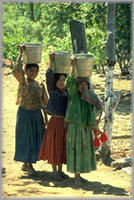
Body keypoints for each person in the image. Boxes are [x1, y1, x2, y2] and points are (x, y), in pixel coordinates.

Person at [65, 56, 103, 187]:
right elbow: (69, 81)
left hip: (85, 129)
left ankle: (79, 175)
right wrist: (74, 65)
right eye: (80, 84)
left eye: (85, 84)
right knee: (75, 150)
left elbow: (96, 109)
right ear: (77, 85)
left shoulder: (89, 99)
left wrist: (95, 126)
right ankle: (76, 178)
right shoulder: (74, 94)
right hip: (75, 128)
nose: (83, 86)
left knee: (83, 151)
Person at [13, 42, 48, 176]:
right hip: (24, 114)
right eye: (30, 71)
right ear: (26, 71)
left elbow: (44, 102)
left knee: (35, 138)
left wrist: (45, 117)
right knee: (25, 138)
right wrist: (21, 53)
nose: (33, 73)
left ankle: (26, 164)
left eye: (35, 71)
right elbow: (16, 69)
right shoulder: (23, 82)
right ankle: (29, 166)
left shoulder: (40, 85)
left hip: (36, 115)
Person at [39, 51, 69, 181]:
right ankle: (54, 172)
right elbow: (48, 75)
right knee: (54, 147)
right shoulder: (53, 90)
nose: (62, 82)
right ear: (55, 81)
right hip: (55, 123)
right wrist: (51, 60)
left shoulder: (67, 92)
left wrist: (73, 64)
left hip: (64, 124)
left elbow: (73, 80)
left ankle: (61, 171)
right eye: (59, 80)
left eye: (64, 80)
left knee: (62, 147)